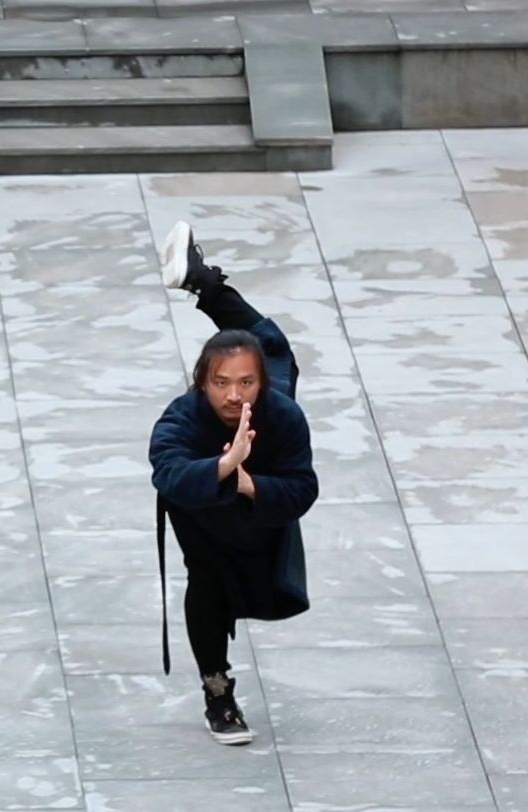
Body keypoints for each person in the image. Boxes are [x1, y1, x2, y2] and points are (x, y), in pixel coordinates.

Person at [148, 221, 319, 746]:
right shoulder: (180, 419)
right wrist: (224, 468)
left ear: (260, 384)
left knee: (272, 345)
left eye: (245, 382)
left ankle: (203, 283)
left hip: (256, 506)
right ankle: (218, 693)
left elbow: (302, 489)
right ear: (202, 382)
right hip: (201, 512)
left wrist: (250, 484)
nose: (233, 395)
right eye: (220, 383)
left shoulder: (282, 414)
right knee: (209, 585)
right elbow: (169, 474)